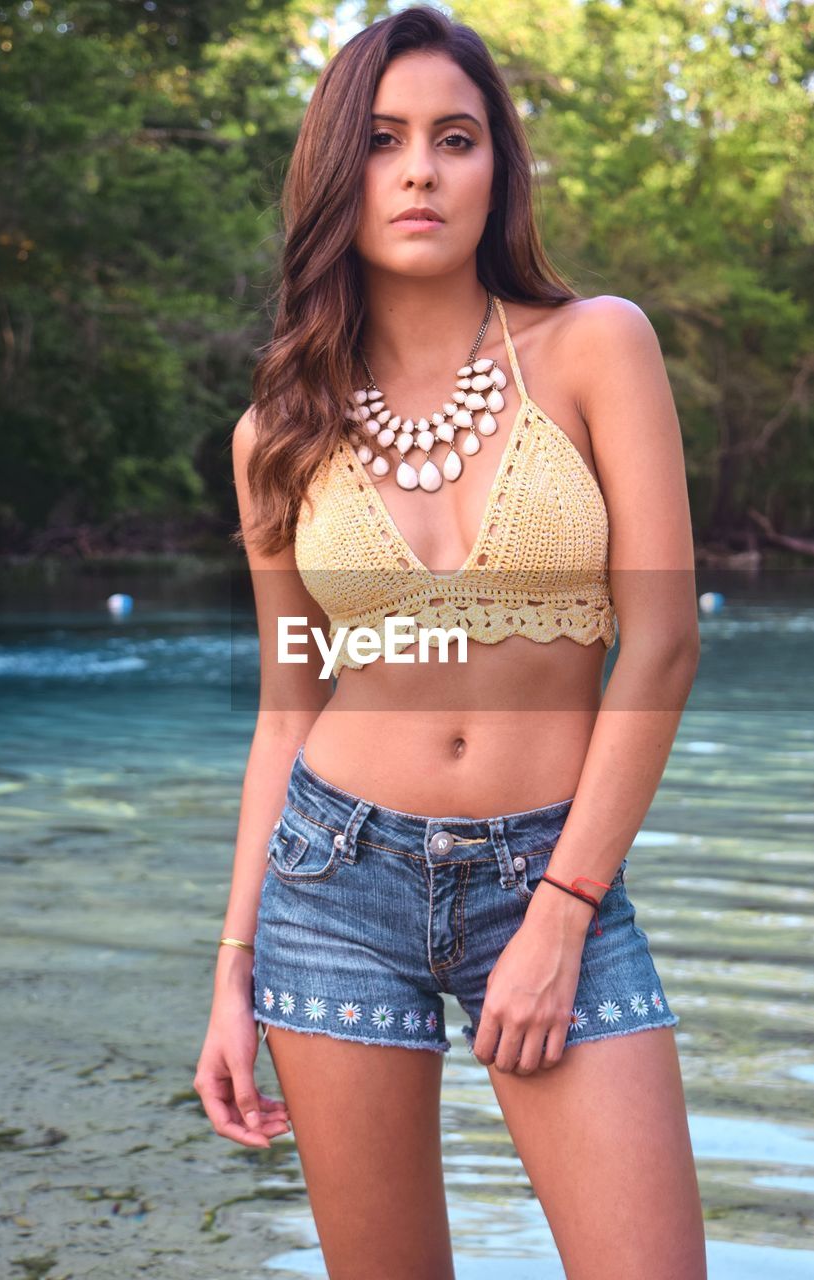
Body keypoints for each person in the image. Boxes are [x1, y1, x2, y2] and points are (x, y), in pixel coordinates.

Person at [194, 7, 707, 1279]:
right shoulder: (279, 428)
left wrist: (565, 908)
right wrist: (232, 964)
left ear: (497, 170)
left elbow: (663, 644)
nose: (419, 168)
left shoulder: (596, 346)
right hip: (333, 884)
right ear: (336, 175)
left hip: (554, 869)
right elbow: (287, 702)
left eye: (455, 137)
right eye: (381, 139)